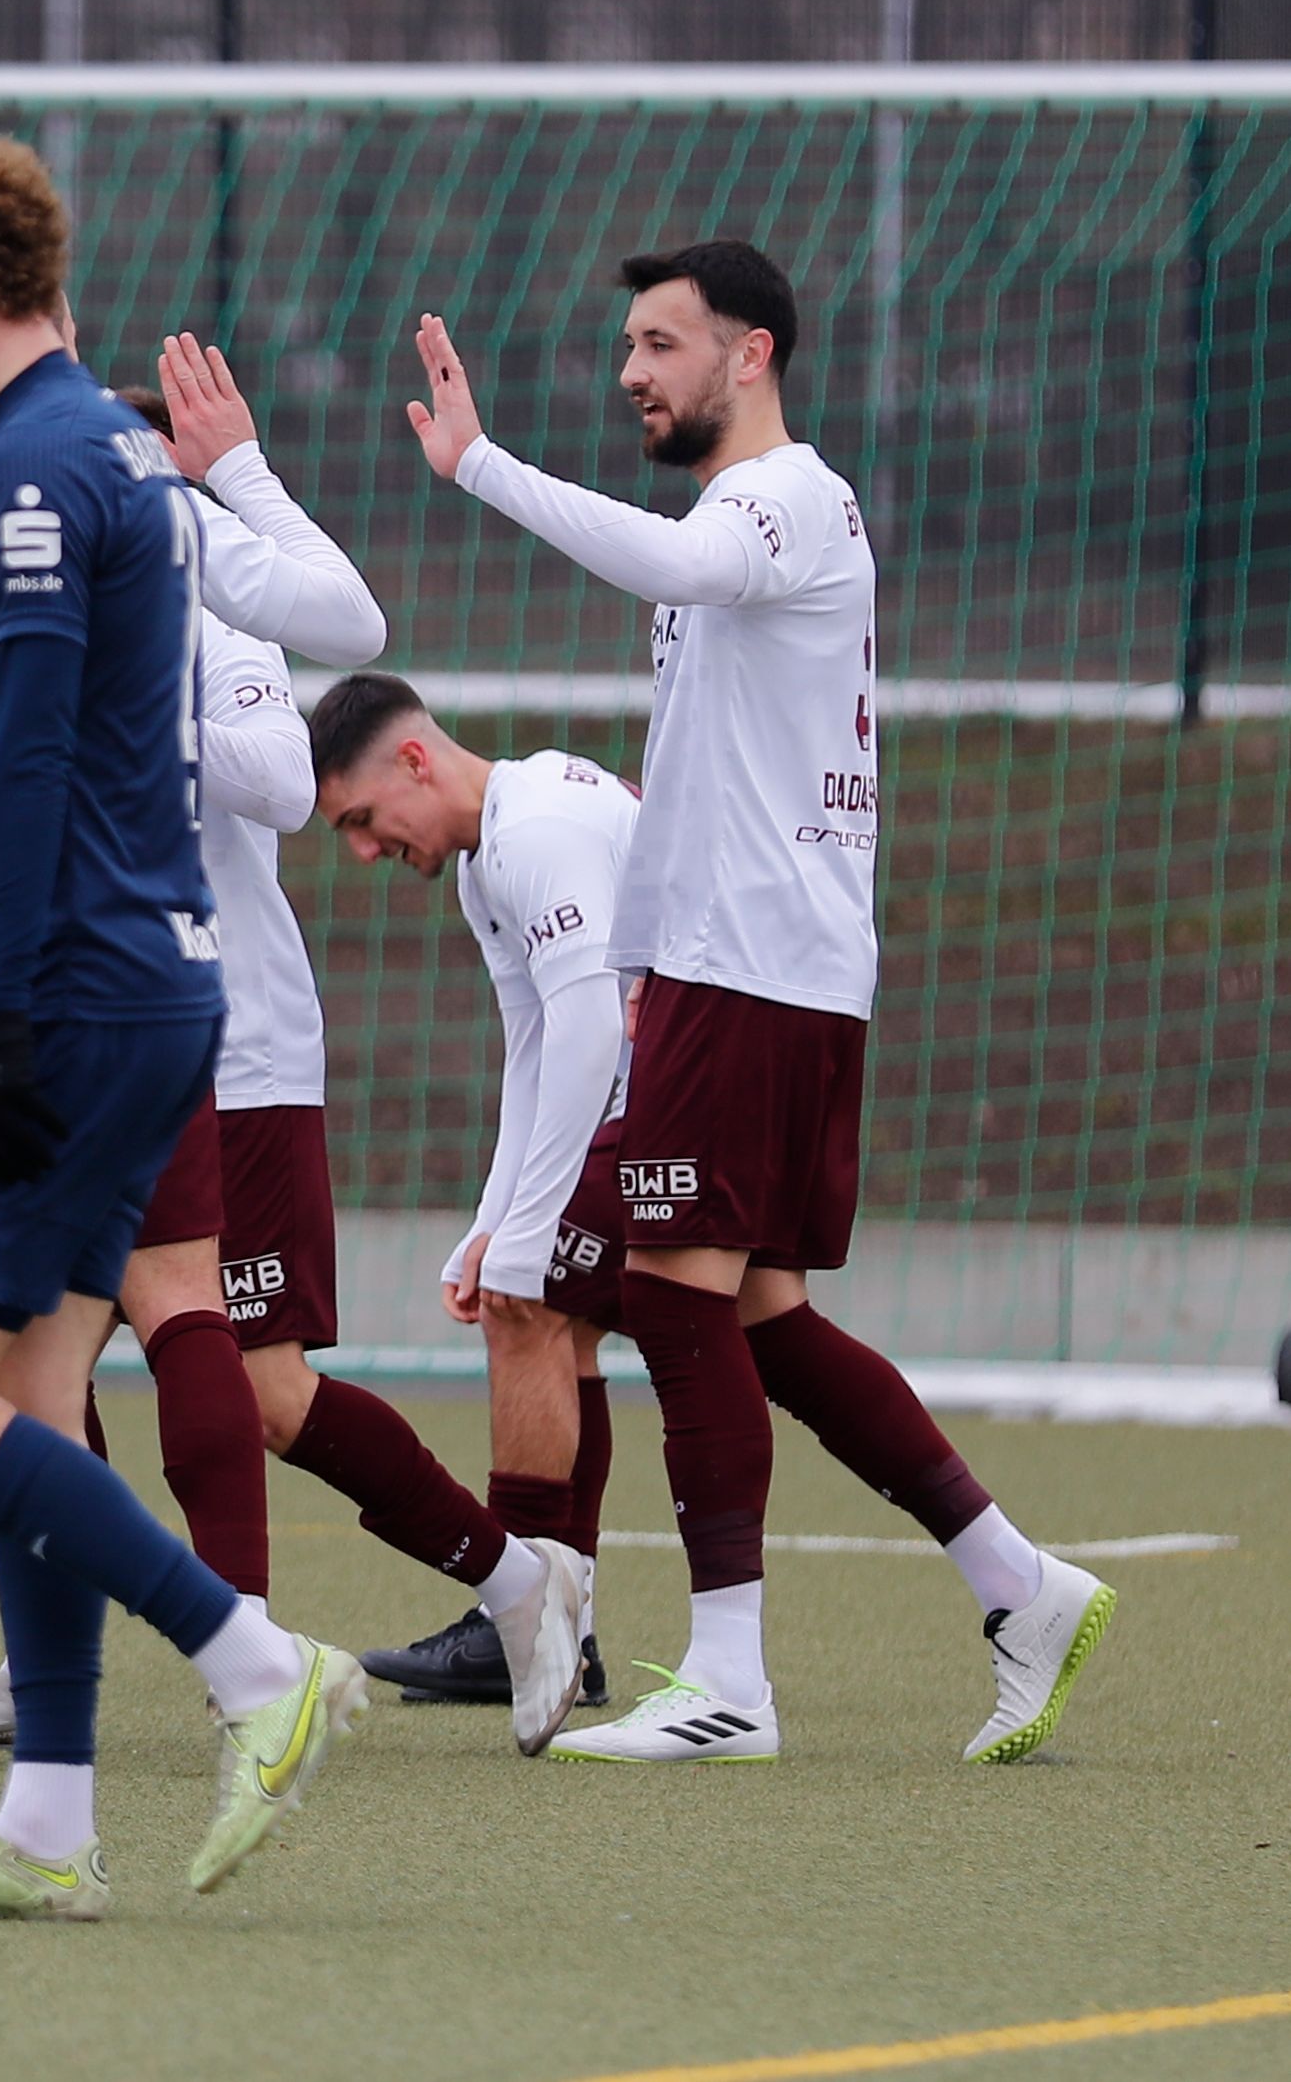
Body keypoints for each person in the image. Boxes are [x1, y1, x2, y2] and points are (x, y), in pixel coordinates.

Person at [406, 241, 1113, 1765]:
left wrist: (477, 466)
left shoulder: (774, 499)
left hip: (765, 967)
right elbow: (688, 779)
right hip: (737, 968)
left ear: (752, 354)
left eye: (659, 342)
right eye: (628, 343)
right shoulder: (731, 520)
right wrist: (645, 969)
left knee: (662, 1292)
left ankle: (726, 1679)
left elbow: (673, 568)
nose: (630, 371)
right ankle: (1018, 1582)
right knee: (759, 1315)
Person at [0, 122, 363, 1924]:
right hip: (128, 981)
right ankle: (47, 1823)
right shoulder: (117, 452)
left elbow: (29, 770)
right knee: (35, 1389)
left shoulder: (34, 479)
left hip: (88, 992)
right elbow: (38, 775)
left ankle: (255, 1666)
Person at [104, 383, 591, 1760]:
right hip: (82, 1035)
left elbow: (270, 775)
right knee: (3, 1349)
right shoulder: (20, 599)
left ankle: (512, 1580)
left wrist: (113, 706)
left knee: (259, 1387)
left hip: (229, 1047)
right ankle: (52, 1648)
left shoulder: (211, 609)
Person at [305, 672, 631, 1710]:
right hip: (647, 1105)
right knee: (546, 1315)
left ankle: (525, 1621)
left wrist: (524, 1236)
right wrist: (496, 1222)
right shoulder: (487, 859)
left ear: (413, 761)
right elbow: (533, 1044)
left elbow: (589, 1029)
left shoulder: (534, 830)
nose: (362, 850)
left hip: (687, 1107)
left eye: (360, 820)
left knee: (525, 1309)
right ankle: (548, 1629)